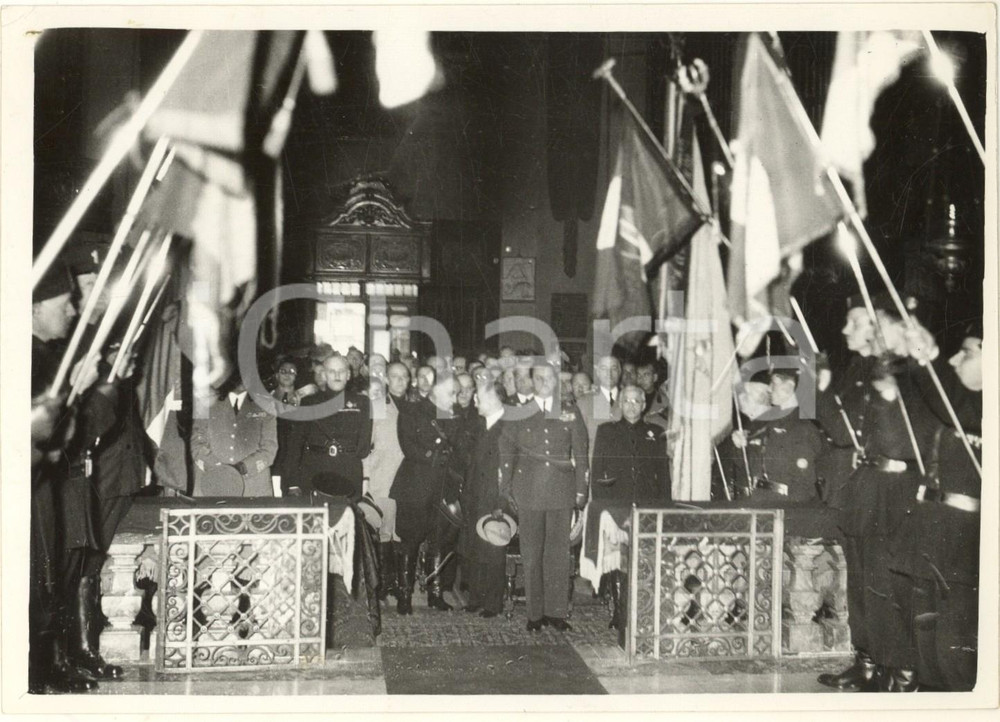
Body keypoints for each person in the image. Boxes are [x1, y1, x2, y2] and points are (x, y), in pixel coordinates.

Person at [815, 294, 938, 693]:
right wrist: (817, 389)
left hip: (899, 489)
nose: (846, 330)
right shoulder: (860, 369)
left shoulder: (914, 371)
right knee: (862, 584)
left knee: (891, 587)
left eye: (857, 322)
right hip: (866, 486)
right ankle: (868, 662)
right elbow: (839, 431)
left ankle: (902, 672)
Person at [888, 318, 982, 691]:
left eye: (969, 351)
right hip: (932, 527)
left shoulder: (980, 406)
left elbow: (954, 405)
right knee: (925, 631)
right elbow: (926, 401)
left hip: (964, 537)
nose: (959, 358)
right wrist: (907, 354)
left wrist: (930, 357)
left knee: (953, 641)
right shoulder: (961, 403)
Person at [30, 262, 102, 693]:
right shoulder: (27, 356)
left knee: (50, 571)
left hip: (43, 483)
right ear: (35, 308)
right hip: (30, 485)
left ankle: (47, 664)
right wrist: (88, 393)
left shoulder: (46, 353)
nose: (73, 310)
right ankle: (37, 670)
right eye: (63, 303)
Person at [498, 362, 589, 632]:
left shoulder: (570, 412)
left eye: (550, 378)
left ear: (556, 382)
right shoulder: (518, 413)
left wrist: (581, 492)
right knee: (532, 553)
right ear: (532, 382)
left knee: (558, 554)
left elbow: (582, 453)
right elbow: (507, 453)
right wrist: (507, 490)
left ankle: (556, 612)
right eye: (539, 378)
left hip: (562, 491)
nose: (545, 382)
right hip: (529, 491)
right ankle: (534, 614)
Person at [590, 385, 671, 628]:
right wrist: (602, 506)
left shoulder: (656, 432)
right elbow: (597, 471)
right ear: (620, 404)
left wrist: (665, 506)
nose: (632, 405)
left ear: (644, 405)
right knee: (619, 561)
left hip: (647, 505)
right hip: (617, 505)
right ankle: (620, 613)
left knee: (645, 559)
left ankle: (642, 610)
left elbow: (663, 473)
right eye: (627, 401)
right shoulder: (606, 431)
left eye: (637, 401)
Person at [390, 375, 466, 614]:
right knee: (410, 541)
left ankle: (435, 594)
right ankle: (405, 596)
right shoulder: (412, 411)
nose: (455, 399)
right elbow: (409, 446)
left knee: (439, 541)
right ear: (434, 392)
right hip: (414, 486)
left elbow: (459, 450)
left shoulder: (454, 416)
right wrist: (434, 455)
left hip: (443, 488)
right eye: (451, 393)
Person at [730, 368, 828, 503]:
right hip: (755, 502)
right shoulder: (761, 423)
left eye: (774, 383)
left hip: (783, 507)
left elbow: (804, 487)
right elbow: (742, 464)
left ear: (790, 387)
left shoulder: (804, 429)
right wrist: (739, 445)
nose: (769, 389)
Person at [285, 354, 373, 497]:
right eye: (332, 371)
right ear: (324, 375)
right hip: (315, 471)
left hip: (348, 471)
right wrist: (293, 482)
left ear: (348, 375)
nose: (337, 375)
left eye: (342, 371)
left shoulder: (362, 402)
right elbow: (295, 445)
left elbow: (363, 448)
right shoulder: (309, 403)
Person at [459, 382, 508, 618]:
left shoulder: (507, 428)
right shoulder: (478, 426)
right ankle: (476, 598)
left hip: (495, 499)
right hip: (475, 495)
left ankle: (492, 603)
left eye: (479, 397)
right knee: (475, 548)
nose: (474, 401)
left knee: (494, 550)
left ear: (494, 399)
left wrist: (501, 501)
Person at [363, 364, 409, 602]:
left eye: (404, 377)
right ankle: (384, 585)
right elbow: (366, 447)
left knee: (402, 532)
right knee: (384, 532)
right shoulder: (378, 407)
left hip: (409, 480)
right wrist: (367, 479)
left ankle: (402, 587)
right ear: (387, 380)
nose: (400, 381)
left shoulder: (414, 407)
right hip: (383, 479)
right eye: (395, 377)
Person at [191, 377, 278, 497]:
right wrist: (219, 469)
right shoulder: (206, 402)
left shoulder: (265, 404)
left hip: (253, 488)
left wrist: (242, 468)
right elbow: (197, 444)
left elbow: (269, 448)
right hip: (212, 485)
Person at [576, 355, 623, 464]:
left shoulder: (629, 400)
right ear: (597, 372)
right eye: (604, 369)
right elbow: (578, 442)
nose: (609, 373)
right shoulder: (584, 402)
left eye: (614, 368)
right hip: (595, 469)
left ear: (620, 372)